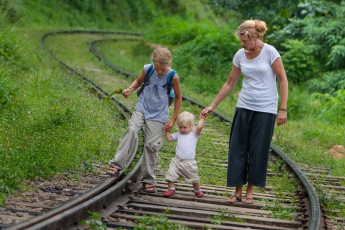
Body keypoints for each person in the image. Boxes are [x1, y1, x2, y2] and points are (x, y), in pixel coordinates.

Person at [201, 19, 288, 204]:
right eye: (241, 41)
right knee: (237, 147)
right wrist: (212, 105)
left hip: (266, 109)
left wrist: (283, 109)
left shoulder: (270, 52)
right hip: (244, 105)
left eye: (244, 41)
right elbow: (230, 82)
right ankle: (237, 191)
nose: (242, 44)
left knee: (258, 149)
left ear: (254, 38)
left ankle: (250, 191)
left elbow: (283, 80)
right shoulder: (240, 54)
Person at [107, 47, 182, 193]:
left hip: (159, 114)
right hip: (142, 107)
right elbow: (138, 81)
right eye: (157, 68)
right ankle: (116, 164)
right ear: (152, 62)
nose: (159, 71)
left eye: (163, 69)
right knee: (132, 130)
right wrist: (130, 89)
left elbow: (179, 98)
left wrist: (173, 119)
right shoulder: (148, 69)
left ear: (169, 63)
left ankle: (148, 179)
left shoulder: (173, 76)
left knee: (151, 145)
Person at [163, 111, 206, 198]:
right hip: (177, 160)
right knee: (170, 174)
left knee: (194, 178)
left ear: (191, 126)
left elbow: (200, 127)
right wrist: (167, 132)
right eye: (180, 127)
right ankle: (171, 189)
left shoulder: (194, 134)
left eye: (184, 127)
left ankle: (197, 190)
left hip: (189, 162)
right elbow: (169, 139)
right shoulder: (178, 134)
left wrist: (203, 118)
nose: (182, 129)